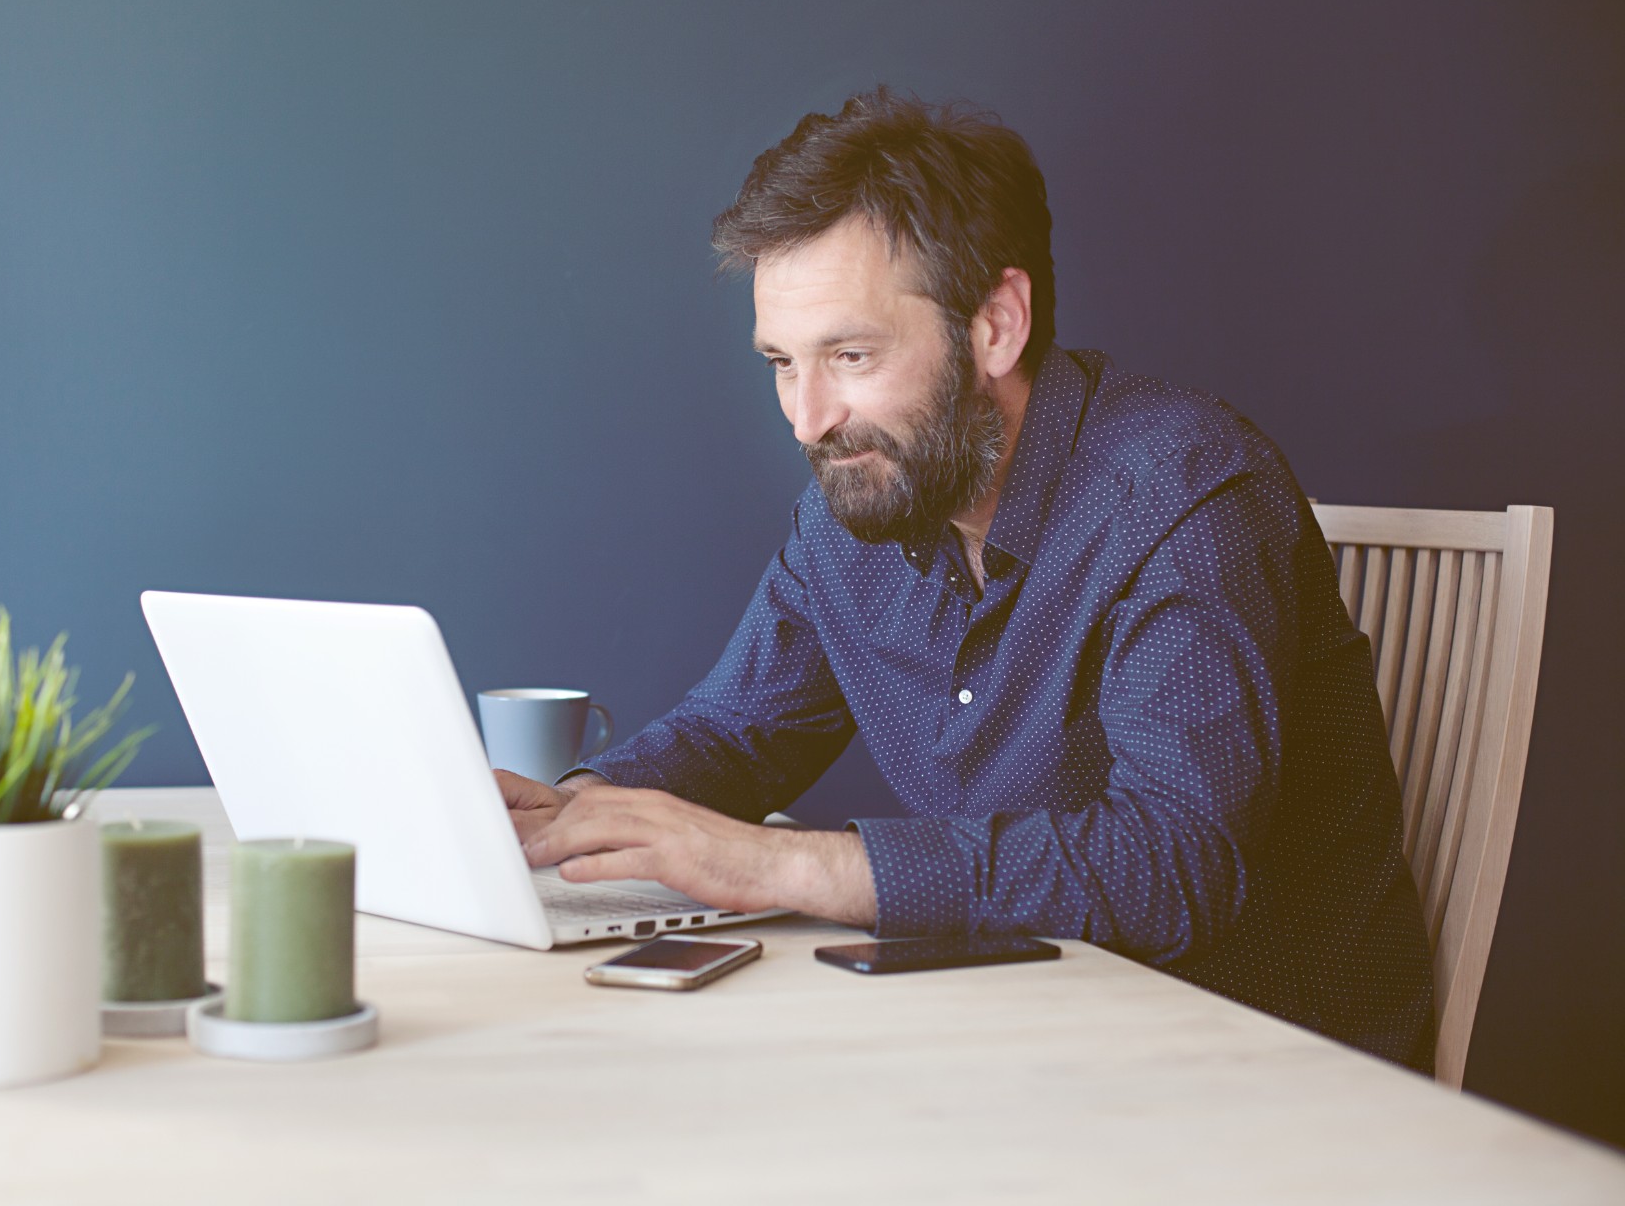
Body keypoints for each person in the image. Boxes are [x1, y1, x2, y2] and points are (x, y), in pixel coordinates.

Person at [496, 88, 1436, 1070]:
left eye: (850, 355)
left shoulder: (1187, 493)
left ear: (996, 324)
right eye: (782, 361)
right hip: (1013, 1033)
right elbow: (735, 736)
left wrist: (782, 860)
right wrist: (563, 813)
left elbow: (1175, 862)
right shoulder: (857, 505)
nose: (809, 417)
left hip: (1257, 1072)